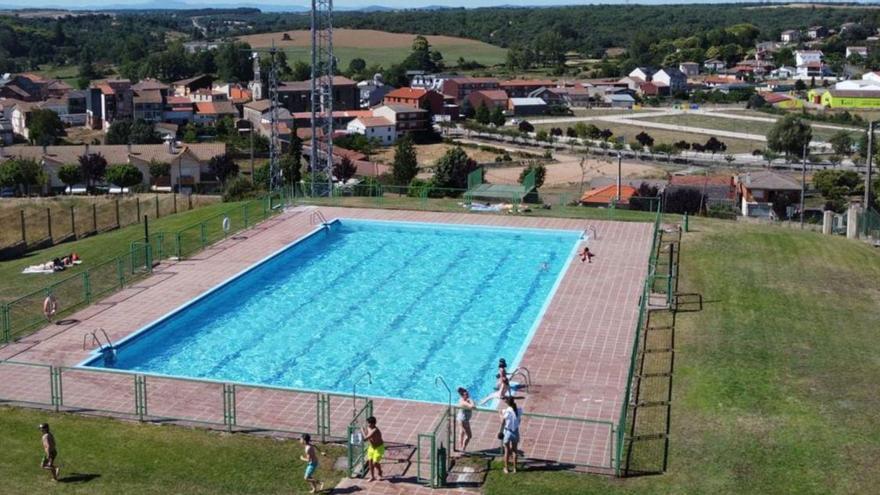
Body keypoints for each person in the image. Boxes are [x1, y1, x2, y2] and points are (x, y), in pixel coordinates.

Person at [499, 397, 522, 474]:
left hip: (508, 432)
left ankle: (506, 468)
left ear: (507, 403)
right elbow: (519, 419)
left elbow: (502, 422)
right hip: (515, 431)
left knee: (507, 451)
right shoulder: (519, 410)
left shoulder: (507, 411)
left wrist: (500, 414)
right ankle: (515, 469)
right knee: (515, 450)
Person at [361, 416, 385, 482]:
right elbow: (366, 434)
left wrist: (362, 430)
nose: (368, 424)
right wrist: (364, 431)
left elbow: (366, 438)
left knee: (375, 463)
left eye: (369, 423)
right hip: (371, 447)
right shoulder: (368, 428)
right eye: (368, 423)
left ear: (374, 424)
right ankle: (372, 476)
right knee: (370, 462)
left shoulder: (375, 430)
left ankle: (380, 472)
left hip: (379, 448)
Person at [456, 387, 476, 452]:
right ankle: (463, 448)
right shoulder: (463, 402)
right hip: (463, 420)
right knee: (469, 436)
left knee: (461, 432)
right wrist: (471, 400)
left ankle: (460, 447)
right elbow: (473, 407)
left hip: (461, 418)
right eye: (466, 395)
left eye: (468, 394)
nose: (468, 396)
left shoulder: (464, 400)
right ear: (463, 395)